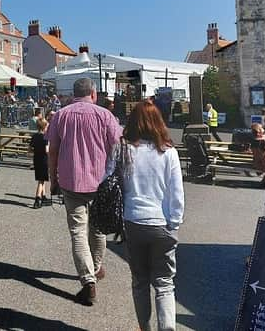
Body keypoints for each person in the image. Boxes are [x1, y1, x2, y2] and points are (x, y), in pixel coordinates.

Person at [104, 100, 184, 331]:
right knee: (164, 283)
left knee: (139, 281)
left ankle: (144, 327)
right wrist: (174, 223)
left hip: (132, 220)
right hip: (161, 222)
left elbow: (107, 178)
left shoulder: (122, 148)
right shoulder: (169, 153)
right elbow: (176, 193)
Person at [46, 78, 122, 305]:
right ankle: (96, 268)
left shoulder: (61, 115)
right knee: (98, 228)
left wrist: (53, 179)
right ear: (93, 93)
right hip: (100, 182)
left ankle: (88, 280)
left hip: (71, 181)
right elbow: (117, 147)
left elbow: (52, 151)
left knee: (78, 231)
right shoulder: (105, 116)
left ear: (73, 93)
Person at [29, 117, 49, 209]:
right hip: (44, 159)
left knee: (41, 178)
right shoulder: (45, 137)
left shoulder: (34, 136)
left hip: (36, 159)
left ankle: (43, 196)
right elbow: (47, 150)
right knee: (41, 181)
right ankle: (37, 198)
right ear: (45, 127)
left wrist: (36, 151)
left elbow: (30, 149)